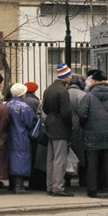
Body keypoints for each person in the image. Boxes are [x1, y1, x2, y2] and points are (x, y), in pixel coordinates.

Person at [78, 71, 108, 198]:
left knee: (92, 162)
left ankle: (92, 190)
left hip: (92, 133)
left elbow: (82, 114)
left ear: (94, 81)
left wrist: (85, 125)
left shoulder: (89, 96)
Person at [42, 63, 74, 197]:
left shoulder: (48, 89)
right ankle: (58, 187)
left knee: (51, 158)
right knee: (60, 159)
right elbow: (66, 113)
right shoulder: (63, 91)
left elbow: (44, 109)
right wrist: (70, 126)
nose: (71, 77)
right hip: (60, 127)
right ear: (65, 76)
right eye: (70, 75)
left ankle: (50, 185)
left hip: (50, 124)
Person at [6, 83, 36, 194]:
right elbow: (29, 122)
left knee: (12, 157)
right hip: (21, 136)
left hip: (10, 135)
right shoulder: (23, 107)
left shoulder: (8, 105)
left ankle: (12, 184)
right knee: (21, 158)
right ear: (23, 93)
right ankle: (19, 186)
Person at [67, 75, 87, 187]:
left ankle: (67, 179)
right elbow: (84, 113)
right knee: (82, 152)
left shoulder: (65, 93)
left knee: (68, 152)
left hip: (67, 123)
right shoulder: (83, 95)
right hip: (80, 125)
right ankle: (82, 179)